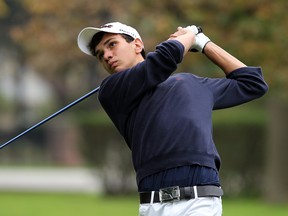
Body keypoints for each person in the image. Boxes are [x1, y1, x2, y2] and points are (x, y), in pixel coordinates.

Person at [77, 22, 268, 216]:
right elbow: (163, 60)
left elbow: (253, 82)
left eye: (111, 44)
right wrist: (189, 36)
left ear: (137, 45)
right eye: (100, 55)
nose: (106, 56)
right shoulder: (112, 91)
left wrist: (204, 44)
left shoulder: (192, 84)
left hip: (199, 203)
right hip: (152, 206)